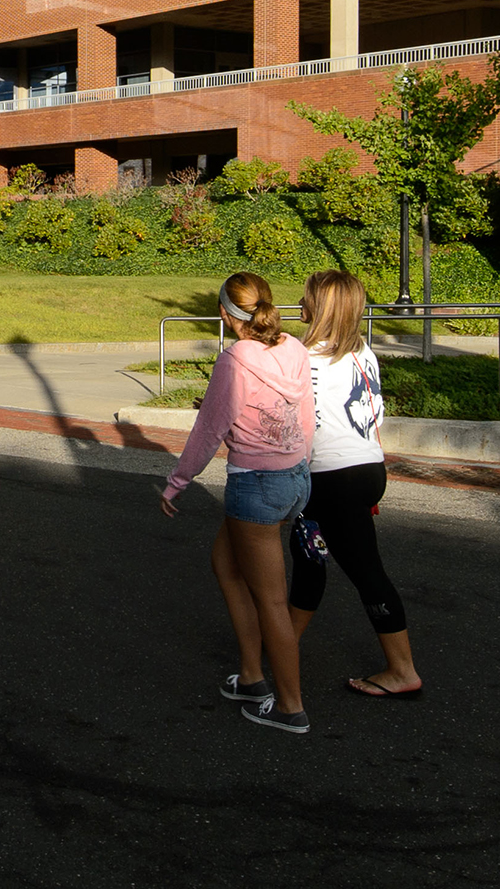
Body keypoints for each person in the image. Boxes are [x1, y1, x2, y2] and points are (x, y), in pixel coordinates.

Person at [159, 271, 314, 735]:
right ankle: (250, 677)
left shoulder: (235, 360)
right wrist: (303, 470)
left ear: (226, 315)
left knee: (270, 597)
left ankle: (290, 706)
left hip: (258, 484)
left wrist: (177, 482)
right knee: (225, 565)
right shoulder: (294, 347)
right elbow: (307, 416)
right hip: (294, 477)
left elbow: (209, 429)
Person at [286, 270, 422, 700]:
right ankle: (281, 646)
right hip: (367, 468)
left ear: (317, 307)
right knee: (311, 557)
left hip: (331, 476)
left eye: (306, 298)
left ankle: (402, 670)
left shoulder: (300, 356)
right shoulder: (363, 351)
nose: (300, 303)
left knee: (362, 571)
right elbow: (374, 414)